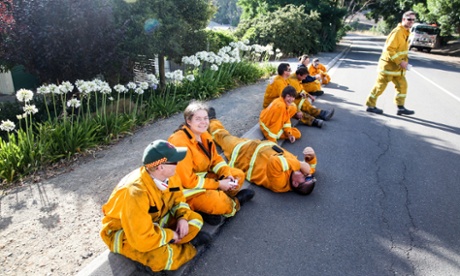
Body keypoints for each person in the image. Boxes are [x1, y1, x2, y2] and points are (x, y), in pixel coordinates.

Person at [100, 140, 211, 272]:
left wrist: (182, 218)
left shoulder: (171, 176)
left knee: (195, 220)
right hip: (127, 232)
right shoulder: (135, 192)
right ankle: (185, 248)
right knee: (161, 258)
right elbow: (142, 237)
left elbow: (178, 200)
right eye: (174, 161)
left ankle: (172, 245)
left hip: (154, 222)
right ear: (160, 167)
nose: (178, 164)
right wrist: (170, 235)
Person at [168, 101, 254, 225]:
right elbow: (188, 181)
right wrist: (218, 184)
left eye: (205, 118)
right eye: (198, 119)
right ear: (188, 121)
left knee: (238, 176)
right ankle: (234, 203)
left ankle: (211, 206)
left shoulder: (204, 134)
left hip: (203, 178)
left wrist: (226, 174)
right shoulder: (179, 142)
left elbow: (215, 159)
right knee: (219, 202)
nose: (203, 122)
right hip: (186, 190)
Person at [209, 115, 316, 195]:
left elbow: (275, 162)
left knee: (223, 137)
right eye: (308, 176)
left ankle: (211, 121)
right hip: (254, 145)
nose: (305, 174)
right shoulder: (298, 172)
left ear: (296, 184)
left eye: (305, 177)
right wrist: (311, 157)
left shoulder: (281, 183)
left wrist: (300, 164)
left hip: (241, 154)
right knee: (226, 136)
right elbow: (311, 168)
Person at [365, 11, 417, 116]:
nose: (411, 22)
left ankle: (401, 107)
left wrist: (403, 63)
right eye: (409, 19)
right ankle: (370, 105)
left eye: (413, 20)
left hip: (398, 68)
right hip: (388, 67)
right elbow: (390, 50)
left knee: (402, 86)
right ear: (403, 19)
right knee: (380, 87)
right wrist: (400, 62)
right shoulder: (397, 32)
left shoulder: (406, 32)